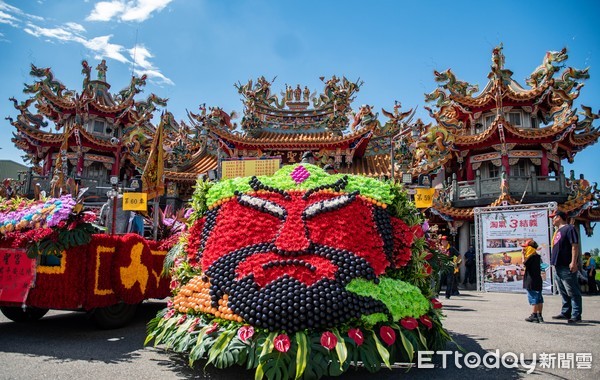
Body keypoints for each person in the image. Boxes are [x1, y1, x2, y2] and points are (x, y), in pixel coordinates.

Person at [550, 210, 582, 323]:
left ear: (559, 217)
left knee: (572, 291)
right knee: (563, 291)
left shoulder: (569, 228)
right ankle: (565, 312)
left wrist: (574, 262)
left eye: (554, 217)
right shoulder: (557, 231)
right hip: (557, 265)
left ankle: (576, 314)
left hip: (566, 265)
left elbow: (574, 245)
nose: (552, 219)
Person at [522, 239, 544, 323]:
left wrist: (523, 255)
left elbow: (524, 263)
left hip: (531, 280)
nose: (524, 249)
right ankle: (539, 315)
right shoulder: (538, 256)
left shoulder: (531, 256)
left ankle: (534, 315)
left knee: (533, 297)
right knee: (539, 298)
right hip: (537, 279)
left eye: (525, 247)